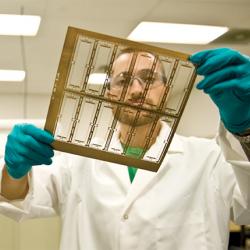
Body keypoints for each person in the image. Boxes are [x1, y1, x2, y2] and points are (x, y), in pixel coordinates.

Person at [0, 47, 250, 250]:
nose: (137, 90)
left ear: (165, 91)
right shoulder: (76, 160)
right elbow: (17, 198)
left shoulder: (211, 157)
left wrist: (246, 130)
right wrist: (14, 170)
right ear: (109, 94)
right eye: (124, 80)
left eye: (149, 79)